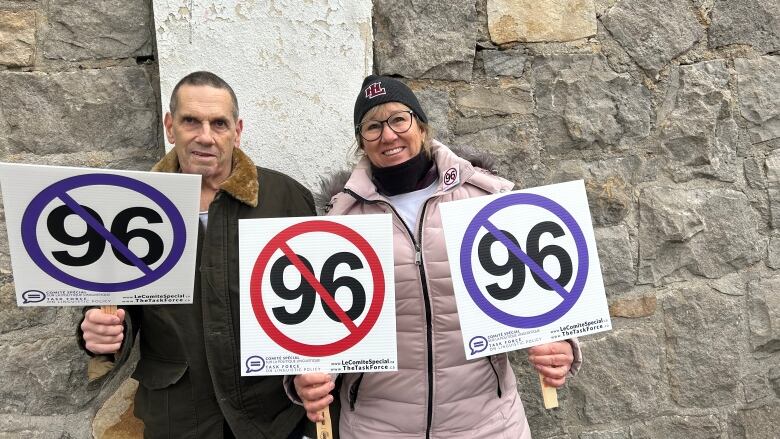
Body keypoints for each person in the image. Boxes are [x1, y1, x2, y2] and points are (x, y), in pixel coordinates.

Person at [290, 75, 582, 438]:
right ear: (361, 142)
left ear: (422, 125)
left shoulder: (483, 199)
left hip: (486, 423)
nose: (388, 135)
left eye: (399, 119)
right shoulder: (341, 221)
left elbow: (534, 292)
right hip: (377, 427)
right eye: (372, 126)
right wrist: (307, 376)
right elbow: (318, 327)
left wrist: (559, 345)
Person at [78, 71, 316, 439]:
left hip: (271, 417)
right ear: (170, 127)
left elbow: (315, 308)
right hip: (181, 417)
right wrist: (103, 332)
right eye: (191, 121)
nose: (205, 136)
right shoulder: (133, 207)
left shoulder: (285, 198)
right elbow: (115, 305)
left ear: (236, 131)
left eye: (218, 123)